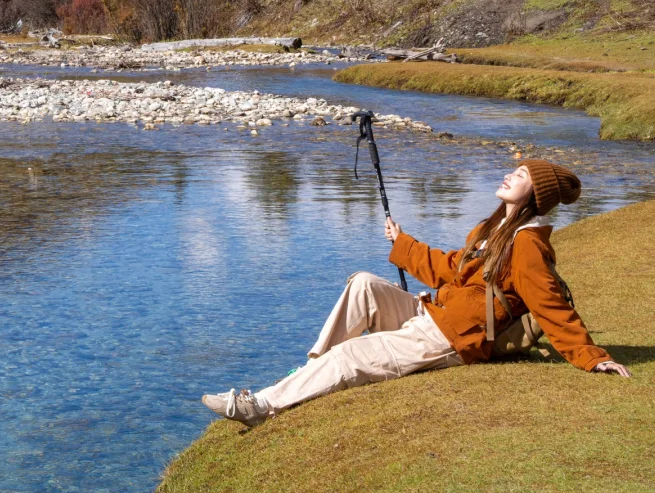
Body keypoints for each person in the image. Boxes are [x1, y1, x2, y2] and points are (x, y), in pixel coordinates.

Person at [202, 158, 630, 426]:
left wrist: (592, 357)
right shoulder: (491, 228)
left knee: (351, 356)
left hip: (451, 338)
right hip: (430, 312)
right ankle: (310, 370)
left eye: (519, 175)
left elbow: (550, 304)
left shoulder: (527, 244)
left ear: (537, 193)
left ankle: (259, 407)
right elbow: (449, 269)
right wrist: (402, 243)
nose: (508, 174)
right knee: (364, 284)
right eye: (513, 169)